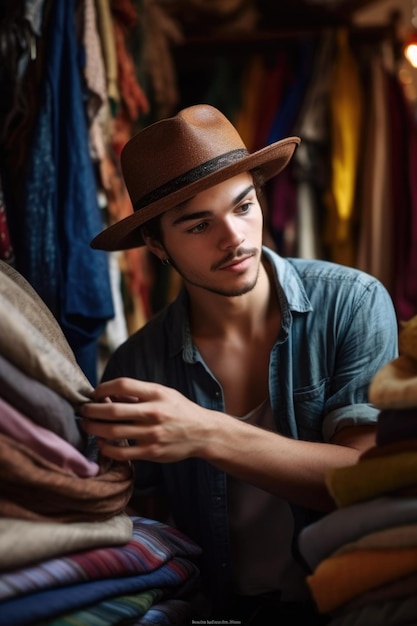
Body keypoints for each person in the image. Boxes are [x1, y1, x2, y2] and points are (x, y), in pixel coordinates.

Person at [80, 104, 399, 625]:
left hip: (351, 607)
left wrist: (204, 432)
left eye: (243, 206)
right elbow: (140, 530)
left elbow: (367, 478)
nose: (233, 238)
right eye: (199, 224)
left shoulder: (353, 303)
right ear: (157, 246)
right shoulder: (136, 363)